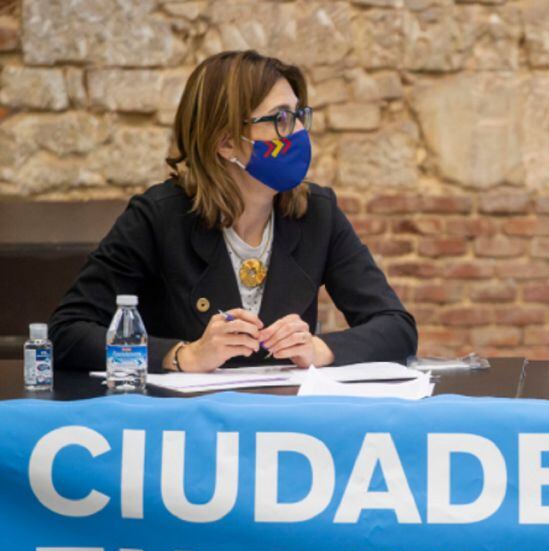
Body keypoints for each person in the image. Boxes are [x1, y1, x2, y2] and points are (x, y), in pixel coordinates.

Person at [50, 50, 416, 373]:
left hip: (283, 423)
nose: (300, 131)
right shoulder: (158, 218)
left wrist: (322, 349)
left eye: (300, 116)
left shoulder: (317, 214)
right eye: (282, 118)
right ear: (226, 143)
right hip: (183, 431)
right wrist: (182, 355)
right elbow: (68, 331)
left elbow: (396, 327)